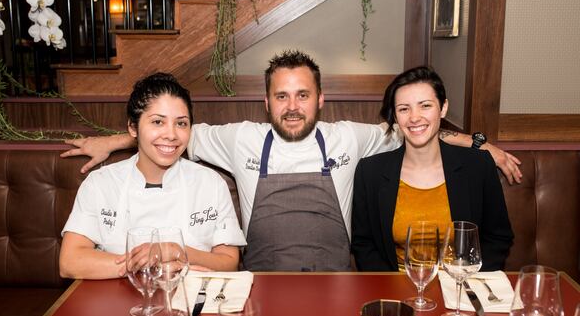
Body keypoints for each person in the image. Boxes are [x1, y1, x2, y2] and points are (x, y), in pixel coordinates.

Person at [60, 50, 521, 272]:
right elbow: (166, 134)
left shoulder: (351, 137)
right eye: (282, 96)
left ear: (321, 99)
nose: (293, 106)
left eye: (303, 95)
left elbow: (416, 126)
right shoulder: (240, 139)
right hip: (260, 282)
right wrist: (110, 144)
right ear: (267, 102)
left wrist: (481, 144)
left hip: (341, 283)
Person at [59, 73, 246, 279]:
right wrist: (148, 264)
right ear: (133, 127)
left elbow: (229, 262)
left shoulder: (210, 183)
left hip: (191, 302)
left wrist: (174, 250)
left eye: (181, 123)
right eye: (158, 122)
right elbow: (70, 262)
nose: (171, 134)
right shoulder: (101, 183)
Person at [351, 66, 514, 272]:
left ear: (443, 108)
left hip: (461, 285)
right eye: (404, 109)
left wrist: (466, 282)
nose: (414, 117)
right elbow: (363, 245)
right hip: (396, 288)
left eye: (425, 105)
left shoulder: (477, 166)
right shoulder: (370, 172)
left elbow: (498, 238)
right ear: (395, 117)